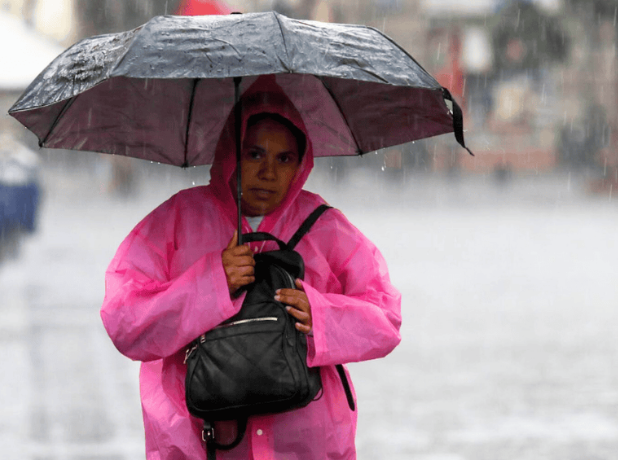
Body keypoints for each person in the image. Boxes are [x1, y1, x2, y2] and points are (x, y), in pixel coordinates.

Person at [101, 76, 402, 459]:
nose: (268, 173)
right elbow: (125, 321)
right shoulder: (179, 220)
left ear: (300, 164)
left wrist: (322, 316)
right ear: (231, 152)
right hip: (202, 445)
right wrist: (211, 283)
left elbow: (386, 320)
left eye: (284, 159)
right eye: (255, 154)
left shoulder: (325, 228)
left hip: (306, 445)